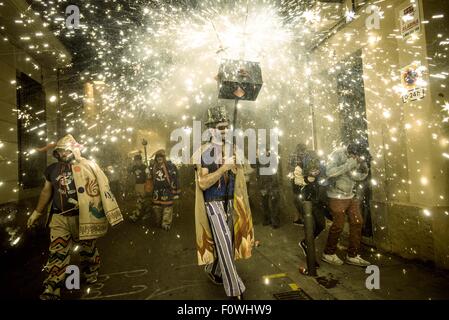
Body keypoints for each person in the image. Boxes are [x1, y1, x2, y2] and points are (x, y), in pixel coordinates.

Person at [27, 134, 123, 300]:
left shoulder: (88, 166)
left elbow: (102, 186)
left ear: (74, 150)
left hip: (84, 217)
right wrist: (37, 212)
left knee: (88, 248)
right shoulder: (52, 169)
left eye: (66, 151)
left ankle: (91, 270)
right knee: (57, 251)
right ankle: (52, 287)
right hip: (59, 218)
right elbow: (46, 191)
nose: (63, 154)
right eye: (60, 152)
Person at [193, 105, 254, 300]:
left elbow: (246, 175)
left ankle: (214, 270)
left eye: (227, 127)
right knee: (225, 245)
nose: (225, 130)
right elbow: (203, 183)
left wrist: (239, 165)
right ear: (210, 130)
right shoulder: (205, 152)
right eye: (221, 127)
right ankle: (235, 289)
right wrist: (223, 168)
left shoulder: (233, 149)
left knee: (228, 241)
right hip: (214, 203)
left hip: (232, 203)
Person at [322, 143, 371, 267]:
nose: (359, 160)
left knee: (357, 222)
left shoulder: (360, 157)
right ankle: (328, 253)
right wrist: (349, 164)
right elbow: (329, 172)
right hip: (336, 195)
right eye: (358, 158)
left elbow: (363, 174)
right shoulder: (337, 154)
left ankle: (352, 255)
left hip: (350, 194)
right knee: (338, 225)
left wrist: (359, 172)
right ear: (351, 154)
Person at [293, 148, 328, 266]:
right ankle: (310, 256)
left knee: (321, 225)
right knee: (310, 226)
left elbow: (324, 180)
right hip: (305, 202)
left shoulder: (319, 165)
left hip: (316, 201)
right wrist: (308, 179)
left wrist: (320, 176)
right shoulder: (298, 168)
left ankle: (306, 243)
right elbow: (297, 185)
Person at [148, 149, 180, 230]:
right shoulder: (153, 167)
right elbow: (150, 178)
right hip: (156, 191)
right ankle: (158, 221)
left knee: (167, 207)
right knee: (156, 207)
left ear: (164, 157)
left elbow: (175, 178)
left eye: (161, 156)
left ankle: (166, 223)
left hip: (167, 190)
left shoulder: (170, 166)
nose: (159, 158)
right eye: (158, 157)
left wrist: (176, 192)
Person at [254, 149, 280, 229]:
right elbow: (257, 172)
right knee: (265, 203)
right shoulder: (260, 160)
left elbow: (275, 174)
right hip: (265, 184)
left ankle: (273, 221)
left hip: (271, 184)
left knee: (272, 204)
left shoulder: (272, 159)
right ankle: (268, 220)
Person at [289, 143, 308, 226]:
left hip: (295, 179)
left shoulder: (292, 154)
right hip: (302, 179)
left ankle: (297, 218)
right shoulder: (305, 155)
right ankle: (304, 218)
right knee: (302, 198)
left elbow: (289, 167)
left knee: (297, 198)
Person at [128, 154, 149, 222]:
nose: (137, 162)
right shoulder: (134, 167)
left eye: (138, 160)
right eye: (135, 160)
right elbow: (130, 172)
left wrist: (147, 184)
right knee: (139, 200)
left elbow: (148, 176)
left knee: (142, 200)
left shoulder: (144, 167)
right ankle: (141, 213)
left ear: (140, 160)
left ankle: (139, 214)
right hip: (137, 185)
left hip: (143, 185)